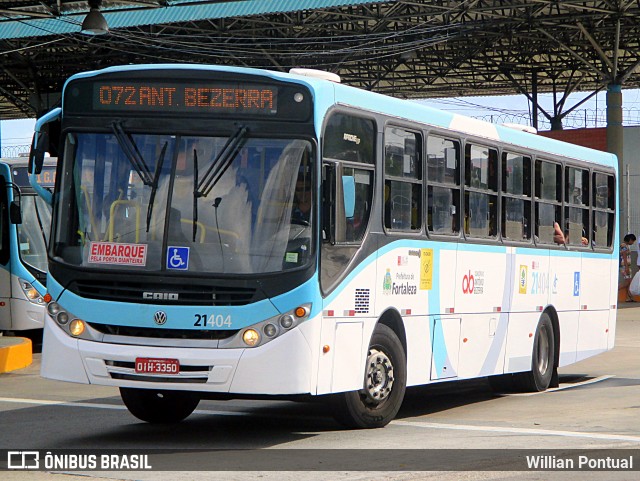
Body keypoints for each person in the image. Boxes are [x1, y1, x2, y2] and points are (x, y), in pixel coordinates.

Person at [621, 233, 637, 301]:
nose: (633, 243)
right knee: (628, 282)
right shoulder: (623, 245)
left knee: (629, 282)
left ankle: (629, 297)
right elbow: (624, 256)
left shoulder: (626, 246)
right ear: (630, 239)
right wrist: (626, 267)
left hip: (627, 266)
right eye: (633, 241)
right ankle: (615, 289)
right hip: (625, 266)